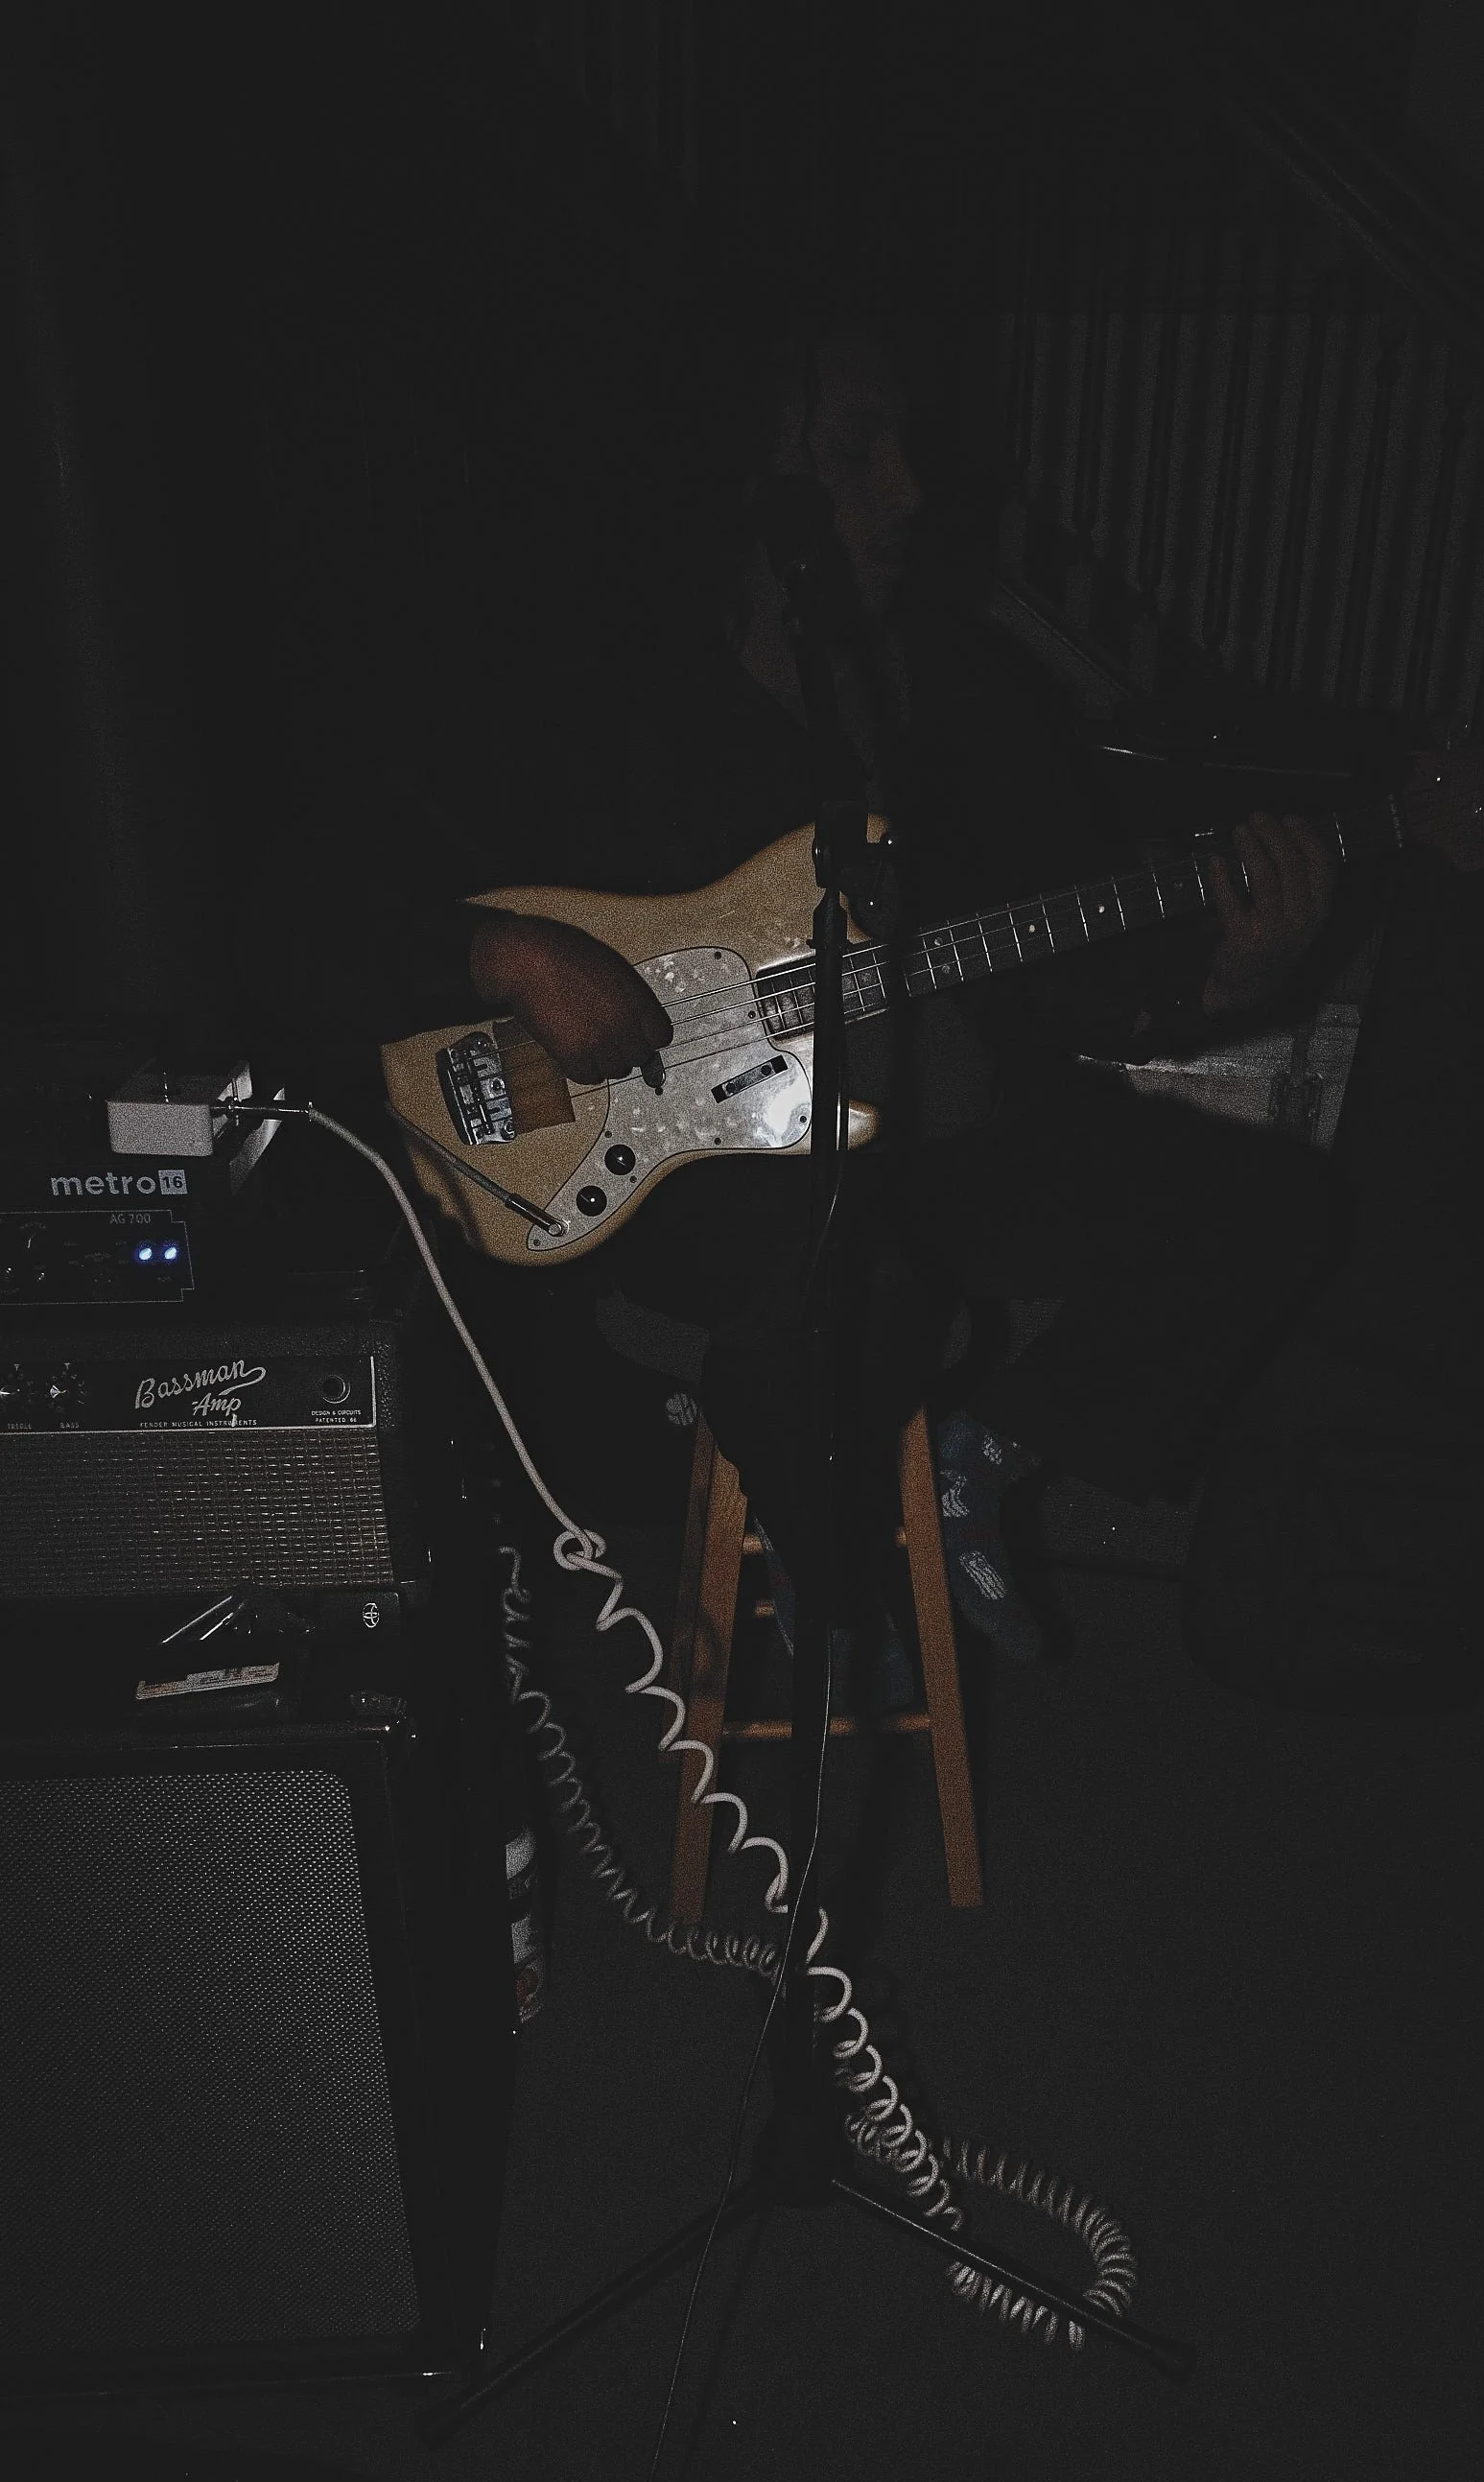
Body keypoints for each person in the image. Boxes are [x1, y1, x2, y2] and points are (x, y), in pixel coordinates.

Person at [428, 305, 1347, 1659]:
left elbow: (1069, 964)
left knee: (1268, 1202)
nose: (909, 491)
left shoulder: (952, 691)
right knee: (838, 1280)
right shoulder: (604, 683)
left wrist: (1228, 978)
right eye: (859, 454)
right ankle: (832, 1531)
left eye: (908, 449)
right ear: (751, 472)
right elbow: (350, 885)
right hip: (700, 1173)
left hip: (936, 1148)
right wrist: (502, 950)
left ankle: (985, 1458)